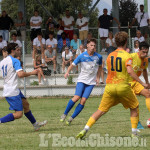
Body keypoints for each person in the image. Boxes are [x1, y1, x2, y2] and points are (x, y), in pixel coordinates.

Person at [76, 32, 148, 139]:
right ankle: (134, 133)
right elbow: (129, 71)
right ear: (126, 42)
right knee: (134, 107)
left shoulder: (110, 55)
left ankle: (85, 129)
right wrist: (142, 83)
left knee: (100, 111)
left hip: (110, 87)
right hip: (123, 87)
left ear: (115, 42)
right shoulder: (127, 56)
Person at [0, 43, 47, 130]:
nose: (19, 51)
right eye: (18, 50)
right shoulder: (15, 61)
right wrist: (32, 73)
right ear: (12, 51)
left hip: (11, 89)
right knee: (18, 114)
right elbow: (20, 74)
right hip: (12, 91)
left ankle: (35, 125)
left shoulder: (2, 62)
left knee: (26, 105)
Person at [60, 38, 102, 125]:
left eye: (94, 45)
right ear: (87, 45)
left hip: (91, 82)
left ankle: (71, 119)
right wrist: (67, 72)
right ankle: (65, 114)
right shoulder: (82, 56)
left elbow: (100, 67)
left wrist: (98, 78)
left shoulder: (98, 57)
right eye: (91, 45)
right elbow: (72, 65)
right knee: (76, 97)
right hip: (82, 80)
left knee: (83, 101)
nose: (93, 47)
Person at [129, 42, 150, 130]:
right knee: (134, 104)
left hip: (137, 83)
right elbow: (129, 71)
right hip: (127, 83)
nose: (145, 54)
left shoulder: (145, 60)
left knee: (148, 94)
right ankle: (137, 123)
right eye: (143, 52)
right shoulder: (132, 56)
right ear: (139, 50)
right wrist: (142, 83)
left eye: (147, 52)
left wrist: (147, 82)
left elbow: (144, 71)